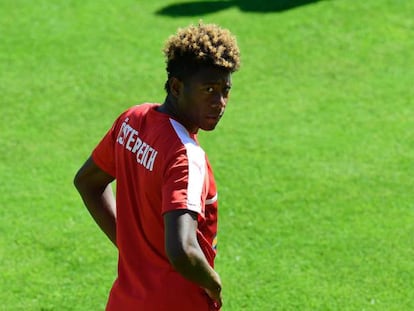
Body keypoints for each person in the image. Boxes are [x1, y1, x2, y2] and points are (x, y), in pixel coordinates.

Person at [74, 22, 240, 311]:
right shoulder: (185, 157)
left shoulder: (132, 120)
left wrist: (132, 249)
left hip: (125, 301)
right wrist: (213, 284)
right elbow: (183, 250)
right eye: (209, 90)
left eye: (225, 91)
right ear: (176, 87)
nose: (220, 102)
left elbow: (88, 182)